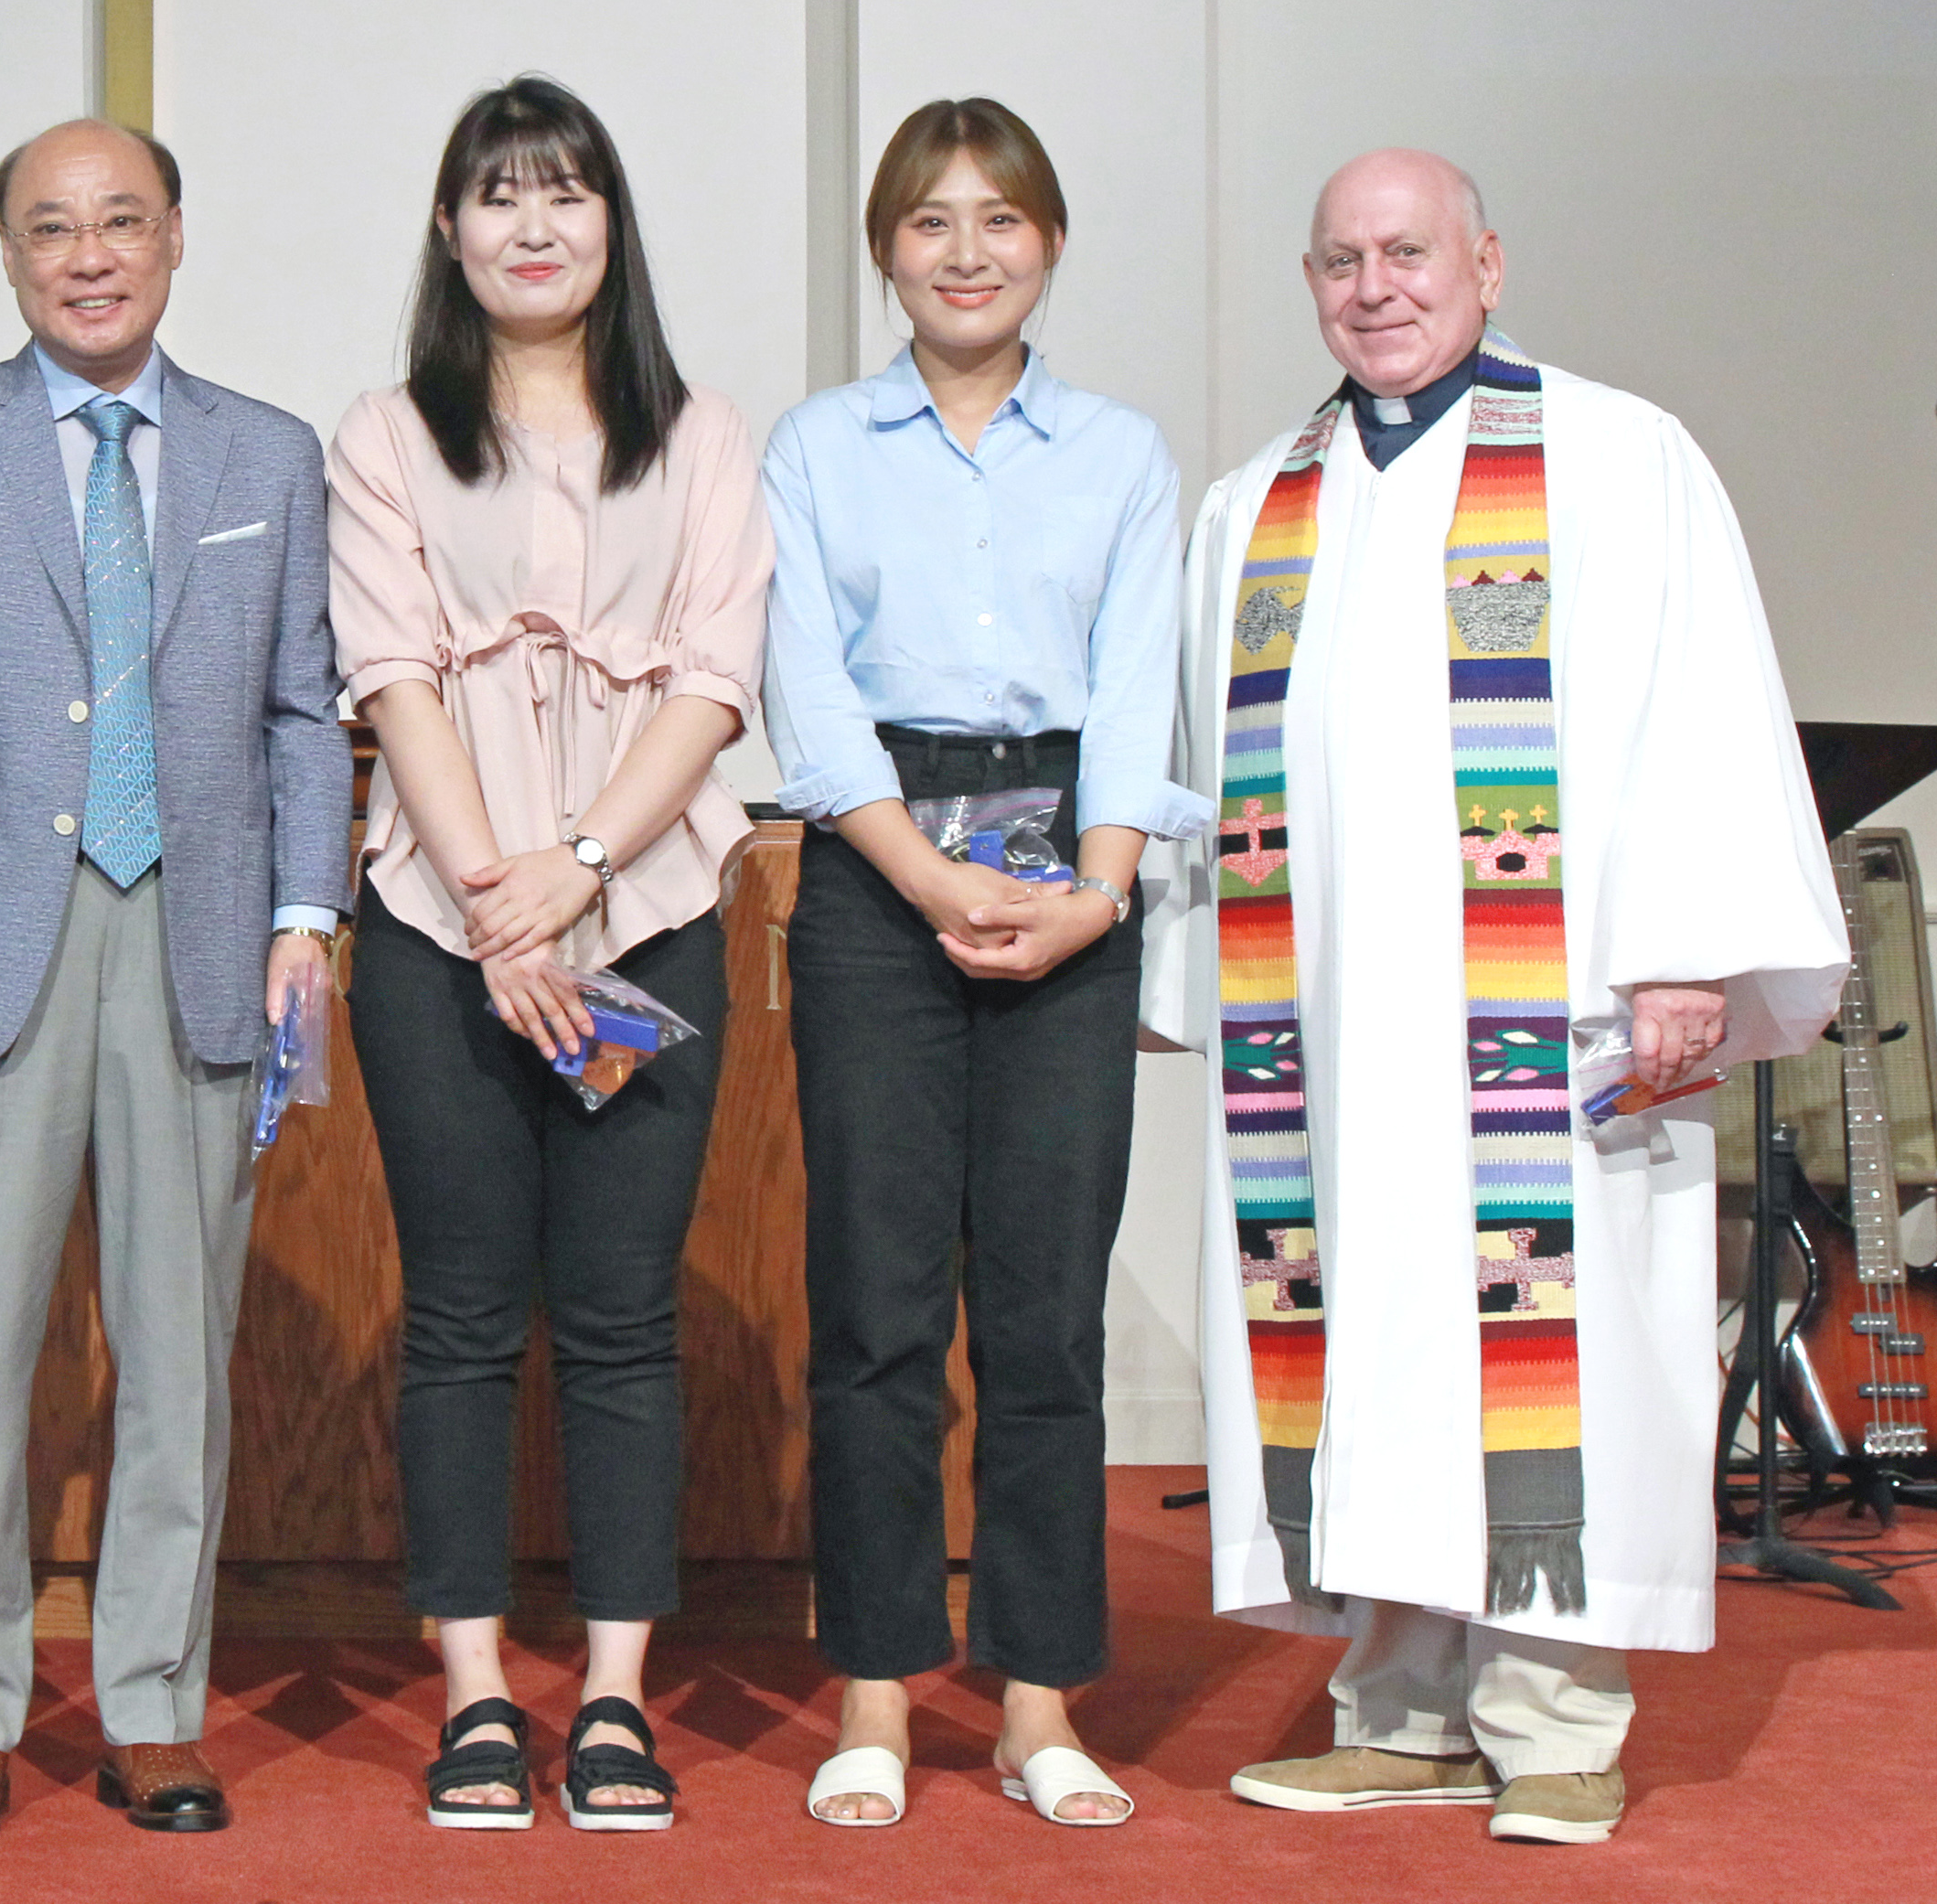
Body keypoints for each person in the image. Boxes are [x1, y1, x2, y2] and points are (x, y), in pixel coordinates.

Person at [1140, 149, 1846, 1846]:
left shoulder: (1614, 456)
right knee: (1366, 1352)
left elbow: (1697, 701)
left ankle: (1551, 1723)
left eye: (1407, 252)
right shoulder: (1253, 506)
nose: (1374, 288)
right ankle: (1395, 1715)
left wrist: (1682, 949)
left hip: (1544, 1020)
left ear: (1486, 264)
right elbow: (1203, 769)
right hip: (1324, 1033)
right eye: (1340, 261)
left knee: (1548, 1358)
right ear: (1309, 285)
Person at [0, 118, 352, 1843]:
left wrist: (304, 919)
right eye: (50, 228)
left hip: (207, 945)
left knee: (179, 1361)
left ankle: (153, 1707)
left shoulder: (268, 454)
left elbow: (301, 712)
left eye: (120, 221)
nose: (89, 256)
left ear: (176, 237)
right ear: (6, 255)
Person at [327, 75, 774, 1834]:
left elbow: (713, 682)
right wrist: (490, 900)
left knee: (618, 1324)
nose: (533, 225)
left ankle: (608, 1700)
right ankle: (470, 1699)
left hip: (645, 918)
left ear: (610, 224)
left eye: (565, 193)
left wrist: (575, 870)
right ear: (450, 231)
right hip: (433, 933)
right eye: (499, 195)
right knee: (454, 1322)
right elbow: (392, 677)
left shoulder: (702, 435)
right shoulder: (385, 436)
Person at [760, 99, 1207, 1832]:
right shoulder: (816, 446)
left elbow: (1142, 682)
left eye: (999, 219)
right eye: (930, 221)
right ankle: (875, 1693)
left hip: (1070, 874)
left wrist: (1096, 895)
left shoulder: (1119, 452)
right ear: (886, 249)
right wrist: (924, 873)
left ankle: (1036, 1704)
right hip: (878, 872)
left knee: (1042, 1318)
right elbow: (806, 689)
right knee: (875, 1314)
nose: (966, 252)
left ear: (1050, 243)